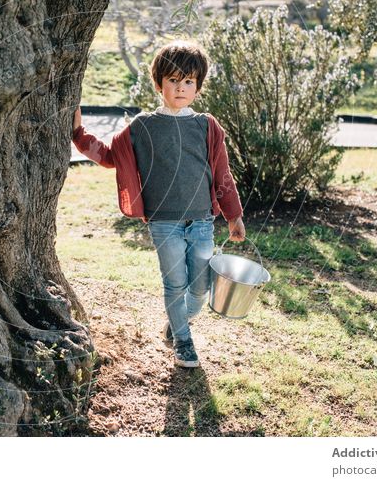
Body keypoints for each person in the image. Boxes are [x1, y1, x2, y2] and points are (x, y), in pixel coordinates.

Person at [72, 39, 246, 368]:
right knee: (175, 282)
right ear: (158, 84)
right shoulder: (143, 126)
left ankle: (177, 323)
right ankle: (183, 341)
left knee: (199, 288)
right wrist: (79, 134)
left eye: (189, 82)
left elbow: (222, 174)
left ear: (198, 86)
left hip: (202, 223)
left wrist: (233, 216)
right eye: (173, 80)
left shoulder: (207, 126)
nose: (181, 88)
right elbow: (109, 155)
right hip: (163, 223)